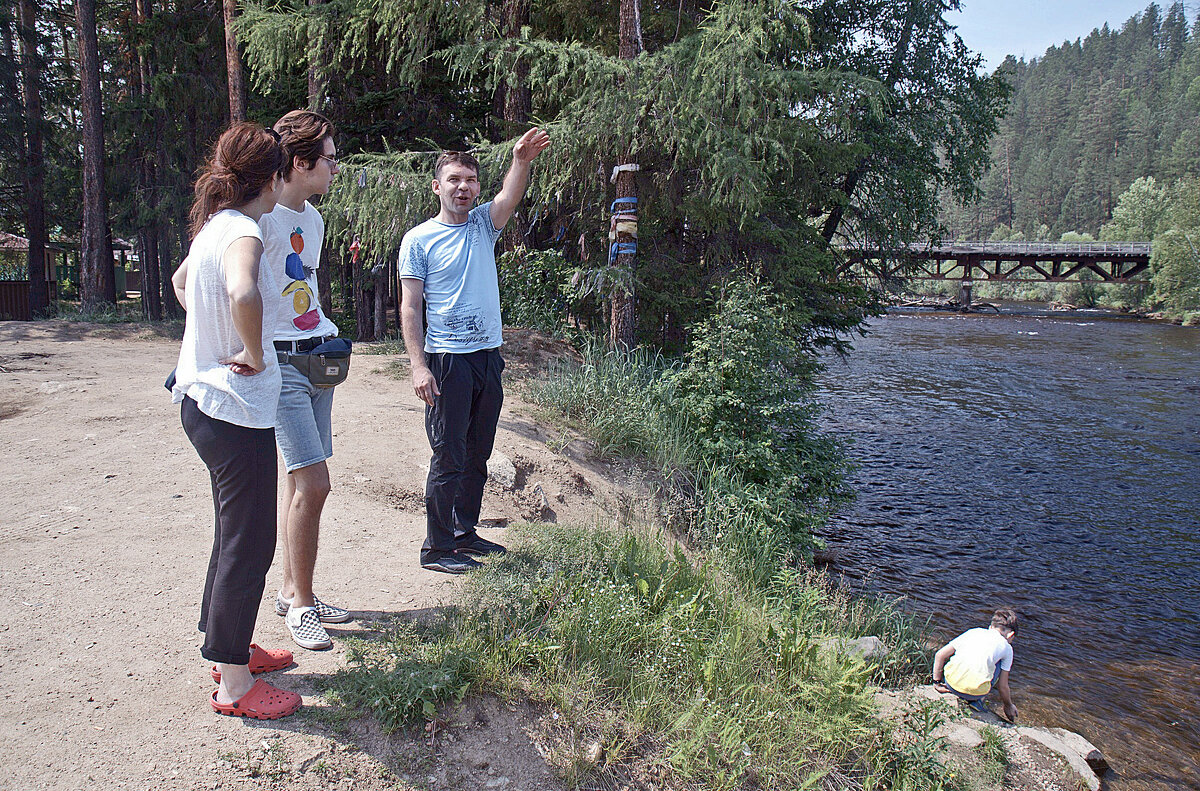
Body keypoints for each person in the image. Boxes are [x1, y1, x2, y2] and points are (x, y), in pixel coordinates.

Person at [170, 122, 301, 719]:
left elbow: (180, 283)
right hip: (232, 410)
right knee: (250, 544)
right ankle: (235, 686)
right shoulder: (244, 230)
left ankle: (231, 647)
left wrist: (207, 335)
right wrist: (248, 351)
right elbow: (244, 294)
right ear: (272, 178)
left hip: (204, 403)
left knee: (234, 536)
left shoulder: (211, 230)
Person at [399, 128, 552, 574]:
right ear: (437, 186)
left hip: (488, 357)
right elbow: (410, 306)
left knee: (478, 452)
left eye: (469, 180)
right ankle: (437, 548)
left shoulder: (484, 223)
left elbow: (510, 195)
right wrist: (417, 366)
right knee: (449, 454)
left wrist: (520, 160)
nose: (462, 187)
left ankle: (464, 532)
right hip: (447, 360)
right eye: (453, 179)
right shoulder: (419, 240)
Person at [260, 110, 349, 651]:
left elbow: (303, 290)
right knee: (315, 485)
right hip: (281, 367)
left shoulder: (310, 220)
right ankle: (302, 607)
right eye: (330, 158)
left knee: (296, 481)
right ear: (300, 162)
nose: (336, 167)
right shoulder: (259, 217)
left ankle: (292, 588)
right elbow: (202, 284)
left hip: (318, 360)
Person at [932, 608, 1020, 722]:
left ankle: (951, 684)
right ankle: (978, 701)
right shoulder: (1007, 648)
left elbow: (940, 655)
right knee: (999, 664)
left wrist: (937, 682)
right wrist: (1008, 705)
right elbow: (1002, 686)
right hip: (974, 694)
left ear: (991, 626)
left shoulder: (973, 632)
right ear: (1010, 635)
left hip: (950, 685)